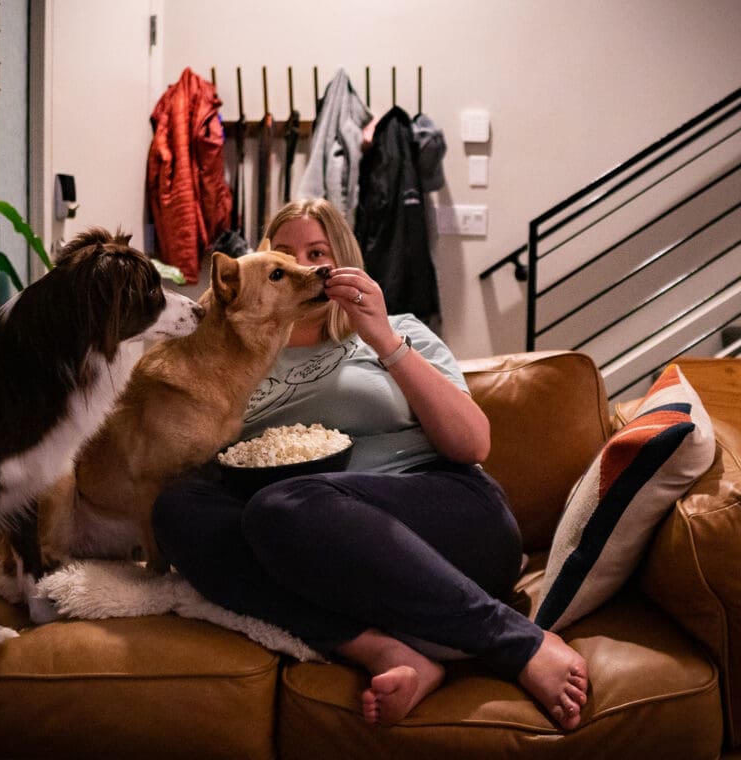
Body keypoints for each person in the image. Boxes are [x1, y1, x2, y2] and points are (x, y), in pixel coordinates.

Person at [152, 198, 589, 729]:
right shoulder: (228, 367)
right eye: (282, 258)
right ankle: (385, 650)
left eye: (318, 254)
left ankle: (512, 640)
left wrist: (383, 337)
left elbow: (472, 445)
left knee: (286, 503)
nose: (304, 268)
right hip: (305, 535)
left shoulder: (397, 329)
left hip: (446, 510)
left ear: (343, 264)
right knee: (178, 507)